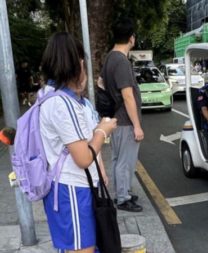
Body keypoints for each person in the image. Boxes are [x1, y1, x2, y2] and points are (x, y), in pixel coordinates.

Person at [40, 32, 117, 253]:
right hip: (71, 190)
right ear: (78, 63)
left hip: (80, 188)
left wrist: (101, 170)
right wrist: (103, 131)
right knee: (82, 249)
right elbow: (83, 157)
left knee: (88, 247)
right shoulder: (61, 104)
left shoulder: (72, 100)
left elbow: (86, 140)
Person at [101, 17, 144, 212]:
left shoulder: (110, 57)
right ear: (131, 38)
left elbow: (100, 83)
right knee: (125, 161)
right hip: (126, 120)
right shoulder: (121, 61)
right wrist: (137, 125)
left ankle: (123, 191)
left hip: (116, 118)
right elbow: (128, 96)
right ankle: (123, 198)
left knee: (119, 159)